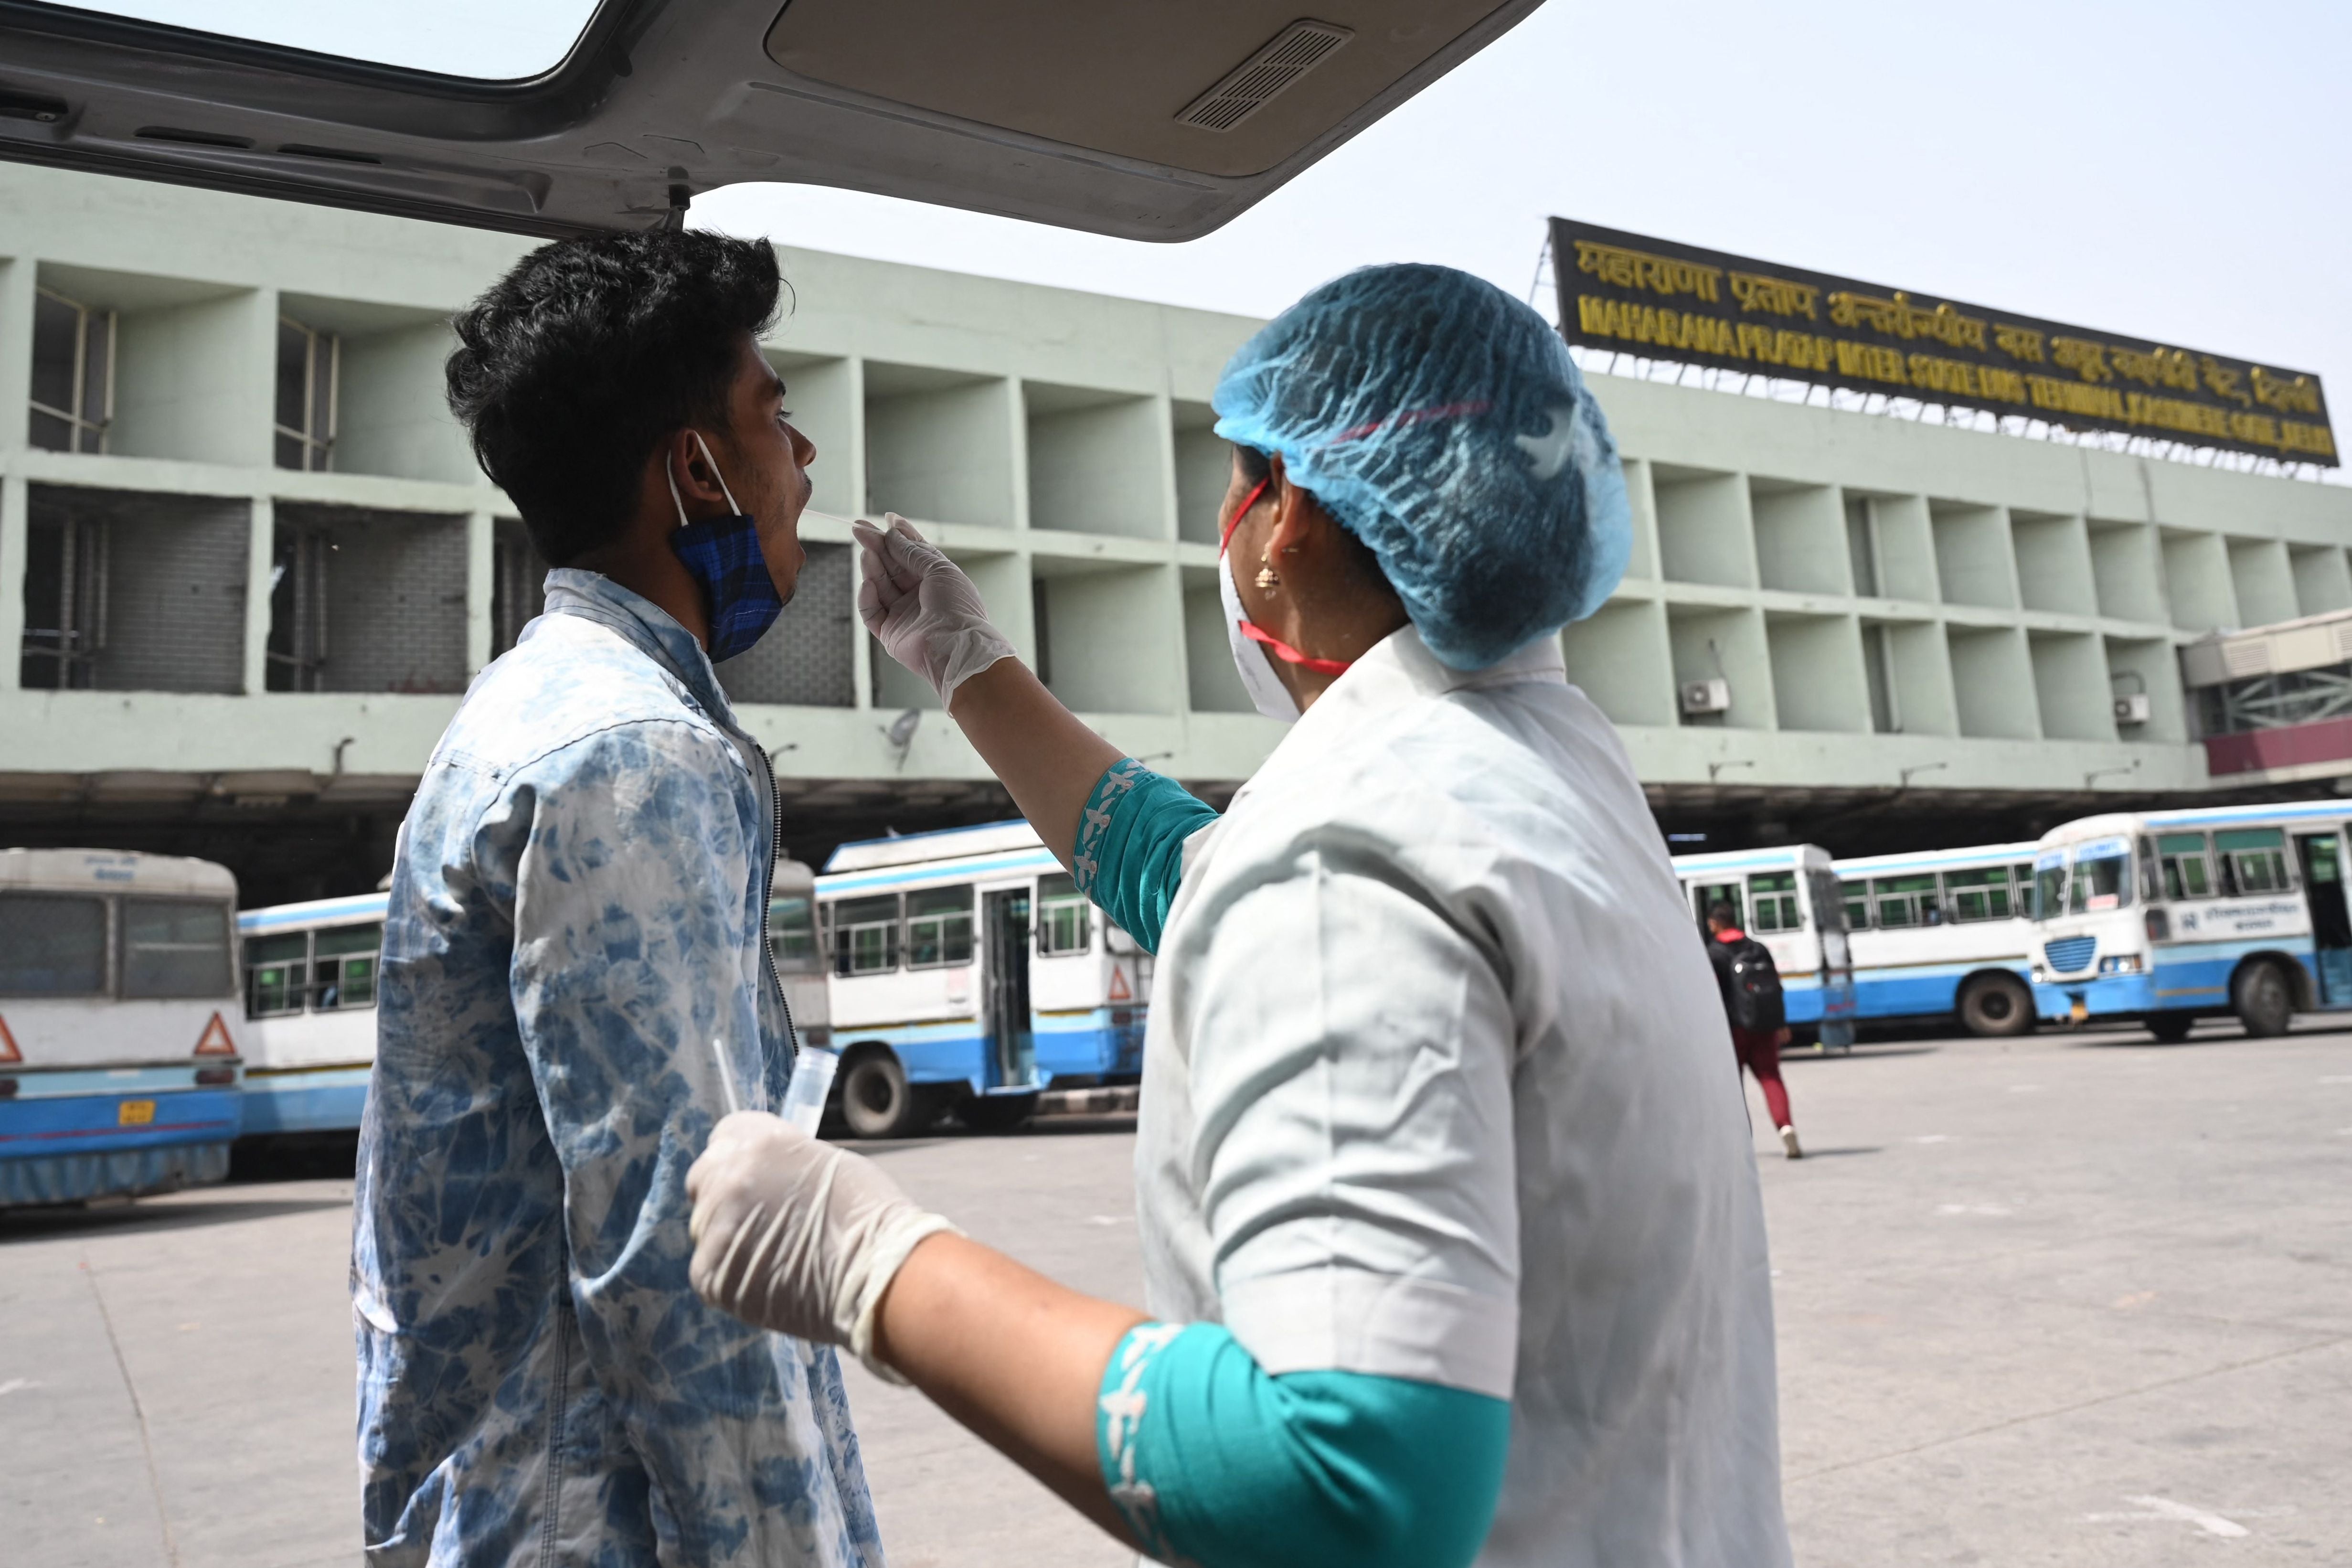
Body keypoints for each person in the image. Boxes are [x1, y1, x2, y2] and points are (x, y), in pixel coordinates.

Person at [685, 264, 1792, 1568]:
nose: (1225, 518)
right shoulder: (1541, 766)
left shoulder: (1348, 847)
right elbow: (1203, 878)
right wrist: (971, 668)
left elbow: (1339, 1485)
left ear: (1293, 519)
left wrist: (875, 1265)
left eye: (1235, 477)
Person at [355, 231, 886, 1567]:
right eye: (774, 408)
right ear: (692, 467)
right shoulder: (628, 755)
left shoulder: (535, 710)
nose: (804, 457)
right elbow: (690, 1255)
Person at [1706, 900, 1803, 1159]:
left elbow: (1710, 993)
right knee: (1771, 1077)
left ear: (1714, 924)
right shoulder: (1758, 949)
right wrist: (1781, 1023)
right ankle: (1786, 1127)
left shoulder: (1714, 954)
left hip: (1732, 1030)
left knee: (1733, 1087)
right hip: (1764, 1025)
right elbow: (1775, 986)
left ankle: (1743, 1143)